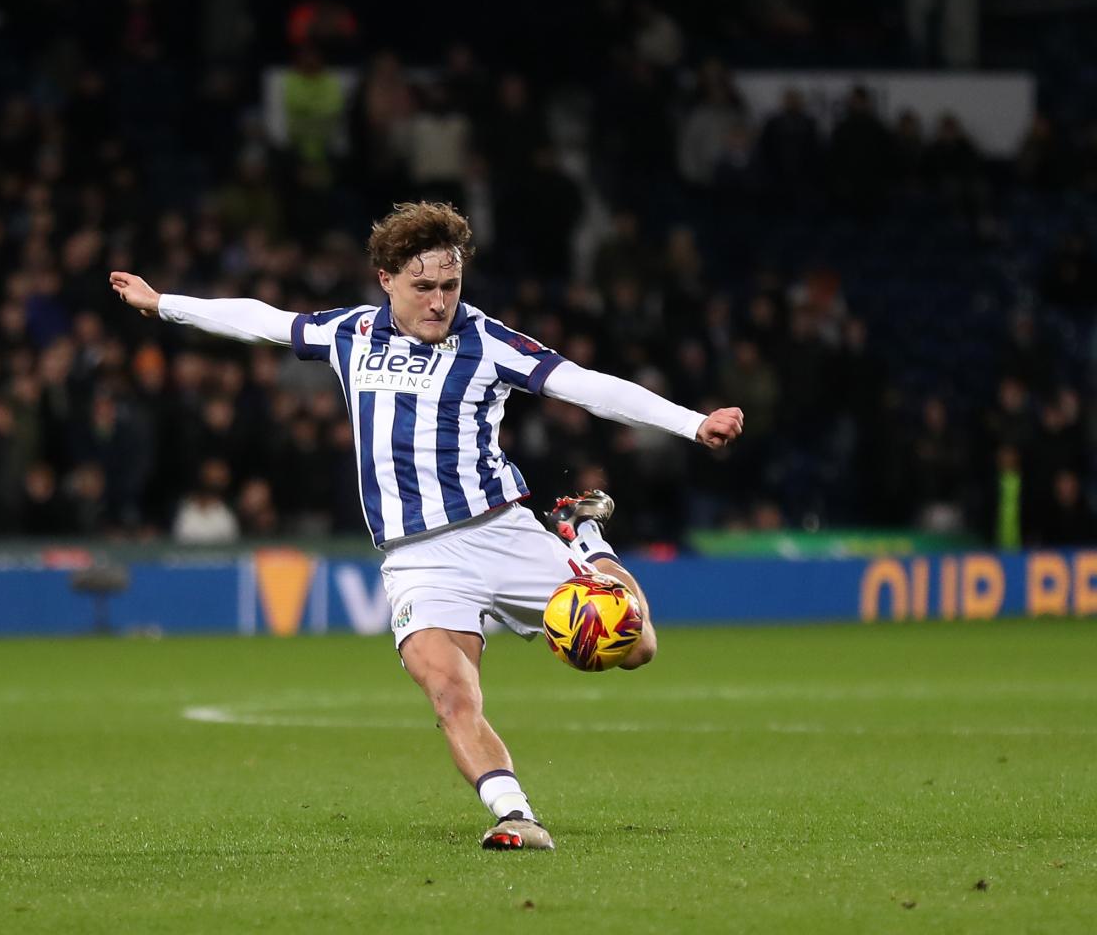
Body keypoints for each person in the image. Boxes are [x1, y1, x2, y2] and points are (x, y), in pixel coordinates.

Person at [110, 201, 744, 850]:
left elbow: (583, 385)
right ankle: (514, 815)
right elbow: (264, 321)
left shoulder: (487, 340)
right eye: (423, 287)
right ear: (385, 278)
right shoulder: (350, 334)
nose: (439, 301)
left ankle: (586, 536)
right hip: (418, 560)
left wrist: (691, 423)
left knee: (636, 648)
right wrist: (164, 304)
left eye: (450, 285)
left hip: (502, 533)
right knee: (449, 692)